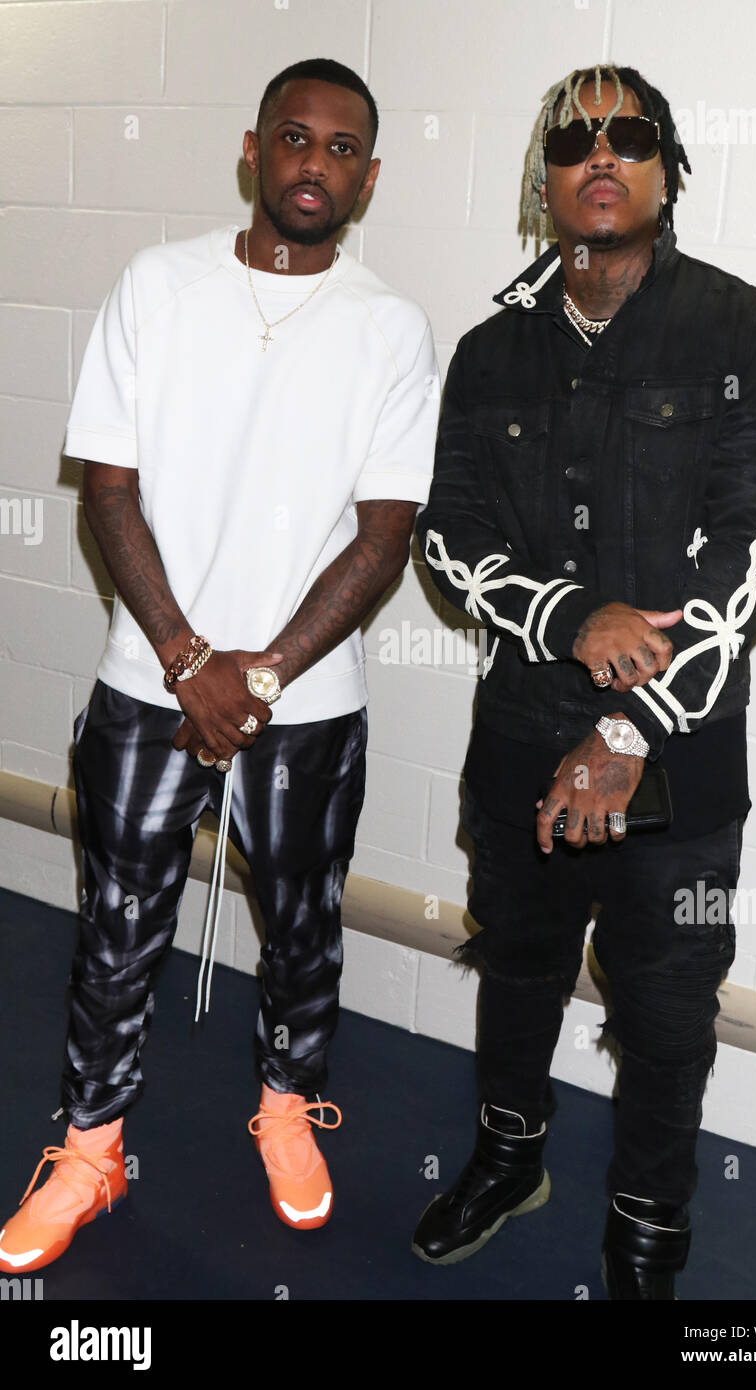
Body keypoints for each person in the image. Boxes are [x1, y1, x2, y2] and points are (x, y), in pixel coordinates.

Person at [0, 57, 438, 1275]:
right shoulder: (157, 285)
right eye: (294, 140)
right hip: (149, 685)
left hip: (312, 700)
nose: (315, 164)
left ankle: (288, 1109)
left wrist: (258, 676)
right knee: (118, 926)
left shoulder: (392, 327)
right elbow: (110, 490)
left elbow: (385, 532)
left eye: (342, 148)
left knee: (302, 925)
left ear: (369, 175)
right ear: (253, 151)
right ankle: (89, 1150)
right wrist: (191, 657)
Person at [411, 62, 756, 1298]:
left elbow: (752, 551)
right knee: (517, 961)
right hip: (521, 726)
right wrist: (569, 614)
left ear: (666, 168)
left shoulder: (745, 328)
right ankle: (507, 1151)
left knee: (667, 1002)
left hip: (681, 753)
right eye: (573, 138)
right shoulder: (489, 350)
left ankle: (649, 1222)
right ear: (544, 180)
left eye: (628, 135)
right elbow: (445, 534)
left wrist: (630, 723)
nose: (601, 152)